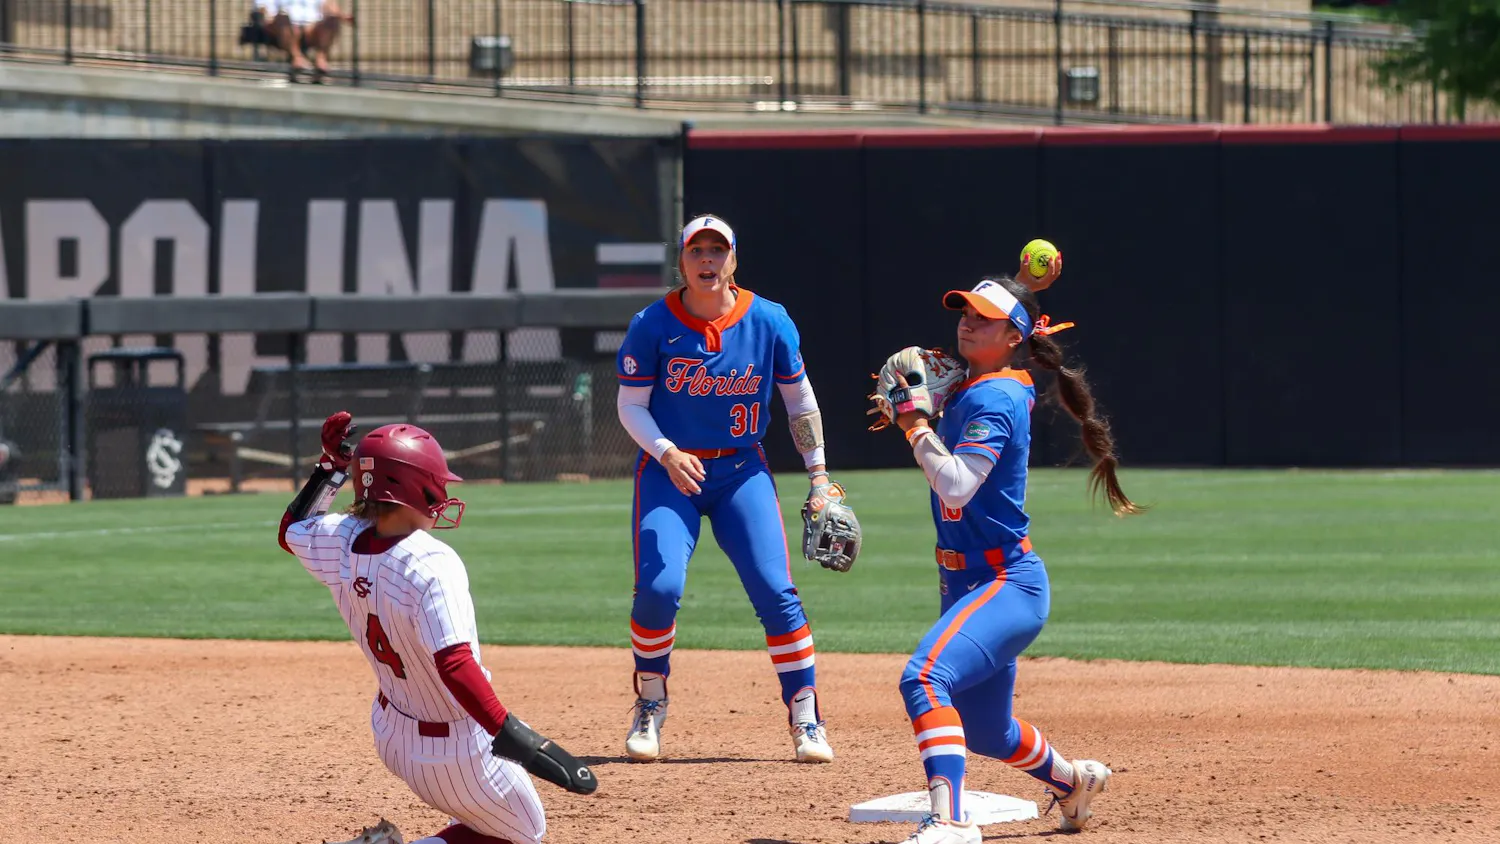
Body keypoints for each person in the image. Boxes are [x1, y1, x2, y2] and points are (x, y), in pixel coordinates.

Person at [869, 268, 1142, 843]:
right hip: (965, 582)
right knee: (988, 732)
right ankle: (1073, 782)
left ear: (1014, 336)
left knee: (924, 679)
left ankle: (949, 821)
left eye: (984, 319)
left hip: (1005, 582)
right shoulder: (977, 387)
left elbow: (957, 486)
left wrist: (914, 422)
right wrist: (931, 407)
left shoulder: (996, 397)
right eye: (966, 312)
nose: (967, 323)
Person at [279, 412, 596, 844]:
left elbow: (293, 529)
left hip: (391, 733)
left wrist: (330, 467)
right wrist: (514, 735)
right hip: (456, 751)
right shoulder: (431, 562)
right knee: (524, 835)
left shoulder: (342, 538)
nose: (442, 493)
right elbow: (454, 663)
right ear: (415, 488)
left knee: (489, 825)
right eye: (435, 484)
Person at [614, 214, 860, 763]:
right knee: (658, 589)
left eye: (717, 250)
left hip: (740, 471)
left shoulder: (769, 320)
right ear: (681, 261)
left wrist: (820, 475)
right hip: (668, 471)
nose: (707, 260)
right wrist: (667, 452)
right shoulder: (651, 324)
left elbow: (800, 402)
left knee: (776, 590)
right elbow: (630, 405)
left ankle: (805, 716)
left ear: (734, 259)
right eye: (696, 250)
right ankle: (650, 702)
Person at [262, 0, 353, 82]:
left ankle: (321, 59)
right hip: (284, 28)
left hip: (311, 28)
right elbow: (265, 9)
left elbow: (329, 5)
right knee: (282, 18)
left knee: (332, 19)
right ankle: (297, 57)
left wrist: (342, 15)